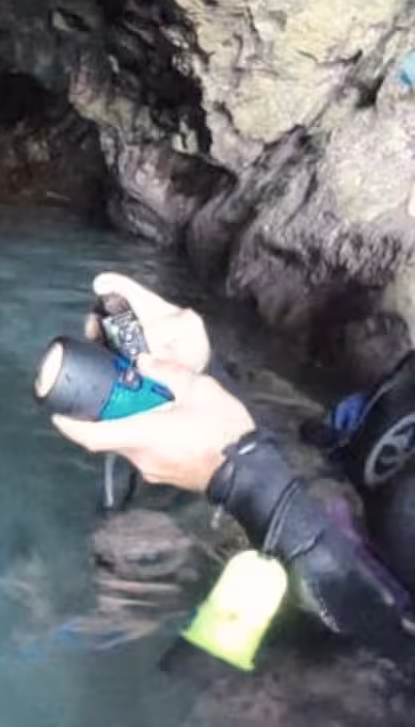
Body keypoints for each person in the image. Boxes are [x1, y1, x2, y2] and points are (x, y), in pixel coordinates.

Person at [48, 273, 415, 661]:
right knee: (123, 548)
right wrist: (200, 373)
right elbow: (325, 453)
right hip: (301, 573)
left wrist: (241, 476)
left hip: (349, 674)